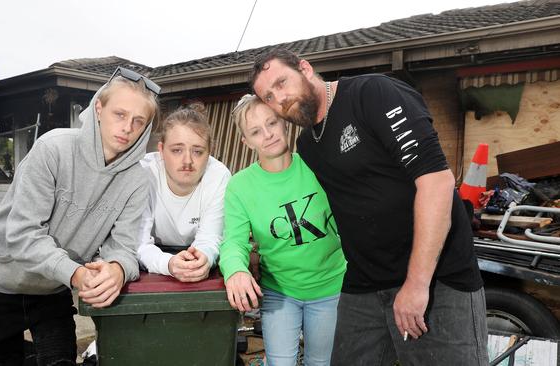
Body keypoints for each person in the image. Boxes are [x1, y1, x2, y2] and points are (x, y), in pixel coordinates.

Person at [250, 48, 488, 365]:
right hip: (364, 286)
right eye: (268, 96)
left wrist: (417, 285)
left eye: (282, 82)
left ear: (305, 69)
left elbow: (436, 182)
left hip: (436, 281)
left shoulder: (373, 93)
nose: (279, 98)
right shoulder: (307, 145)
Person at [0, 66, 160, 365]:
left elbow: (123, 247)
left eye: (138, 121)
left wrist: (119, 269)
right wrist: (77, 274)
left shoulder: (139, 181)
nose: (127, 128)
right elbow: (22, 236)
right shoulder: (53, 149)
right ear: (99, 108)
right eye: (119, 115)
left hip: (52, 286)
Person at [220, 94, 346, 366]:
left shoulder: (317, 165)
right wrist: (236, 270)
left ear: (285, 123)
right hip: (280, 293)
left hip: (330, 287)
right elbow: (233, 242)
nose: (267, 134)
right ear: (246, 141)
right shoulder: (240, 187)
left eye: (272, 123)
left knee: (321, 363)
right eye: (255, 131)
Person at [138, 103, 231, 282]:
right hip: (153, 256)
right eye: (177, 150)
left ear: (210, 152)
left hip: (193, 252)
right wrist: (168, 263)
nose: (187, 160)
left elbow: (210, 237)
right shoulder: (144, 172)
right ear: (161, 150)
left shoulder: (219, 176)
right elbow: (137, 243)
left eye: (197, 151)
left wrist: (203, 258)